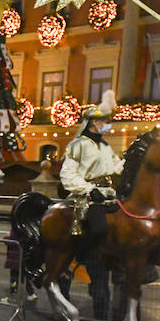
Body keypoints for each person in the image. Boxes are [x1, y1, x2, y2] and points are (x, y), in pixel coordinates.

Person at [60, 95, 122, 238]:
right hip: (87, 197)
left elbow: (117, 167)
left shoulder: (105, 146)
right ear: (95, 122)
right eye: (106, 122)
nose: (108, 125)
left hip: (108, 194)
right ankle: (84, 258)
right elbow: (68, 175)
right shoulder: (78, 145)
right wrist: (90, 190)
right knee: (99, 228)